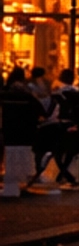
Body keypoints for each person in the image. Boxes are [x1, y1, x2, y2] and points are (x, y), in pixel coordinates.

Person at [1, 68, 40, 199]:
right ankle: (21, 184)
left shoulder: (5, 93)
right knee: (24, 157)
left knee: (11, 157)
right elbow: (40, 110)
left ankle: (11, 185)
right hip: (26, 132)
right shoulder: (28, 94)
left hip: (9, 131)